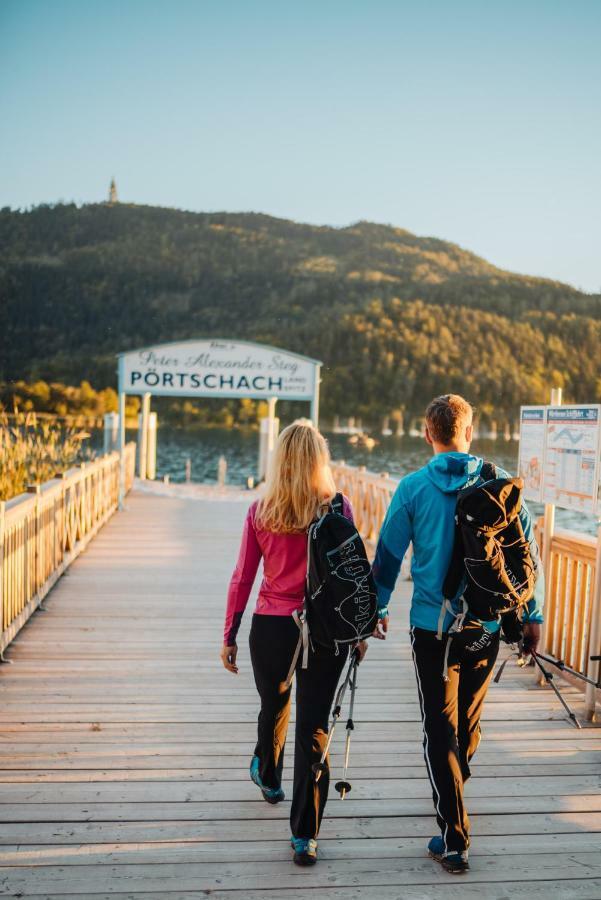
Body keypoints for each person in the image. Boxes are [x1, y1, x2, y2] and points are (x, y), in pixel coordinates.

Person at [372, 394, 544, 875]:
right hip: (485, 627)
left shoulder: (411, 488)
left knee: (438, 727)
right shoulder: (499, 487)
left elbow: (387, 556)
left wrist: (377, 608)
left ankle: (454, 836)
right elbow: (527, 556)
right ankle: (455, 813)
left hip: (431, 628)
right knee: (466, 727)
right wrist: (532, 616)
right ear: (470, 431)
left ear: (428, 433)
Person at [221, 420, 367, 867]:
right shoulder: (339, 509)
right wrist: (358, 632)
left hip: (271, 626)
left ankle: (268, 775)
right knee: (314, 727)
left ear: (279, 460)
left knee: (274, 704)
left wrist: (229, 633)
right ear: (320, 460)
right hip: (324, 630)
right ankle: (305, 834)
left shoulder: (261, 510)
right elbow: (354, 576)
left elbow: (243, 575)